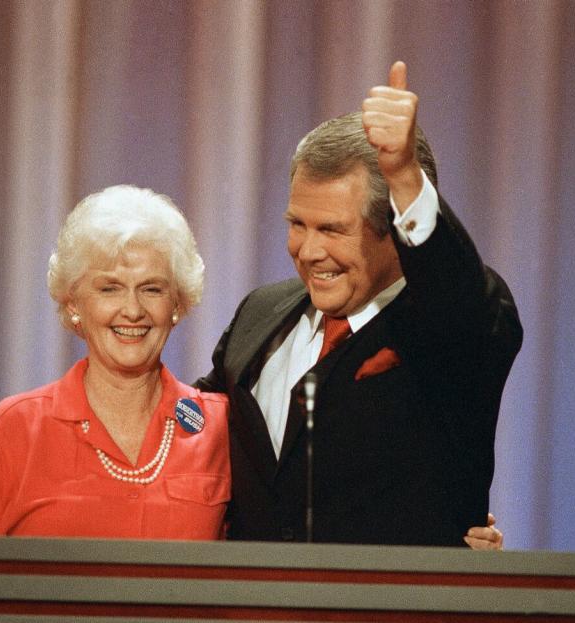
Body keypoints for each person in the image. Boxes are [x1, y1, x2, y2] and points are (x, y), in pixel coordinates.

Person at [196, 61, 522, 547]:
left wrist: (405, 178)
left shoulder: (455, 325)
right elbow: (192, 428)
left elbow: (455, 290)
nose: (307, 251)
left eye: (331, 229)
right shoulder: (258, 313)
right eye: (297, 224)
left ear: (393, 229)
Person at [0, 185, 231, 622]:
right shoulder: (4, 436)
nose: (132, 310)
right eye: (110, 288)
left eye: (151, 289)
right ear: (74, 304)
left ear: (177, 304)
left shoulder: (222, 430)